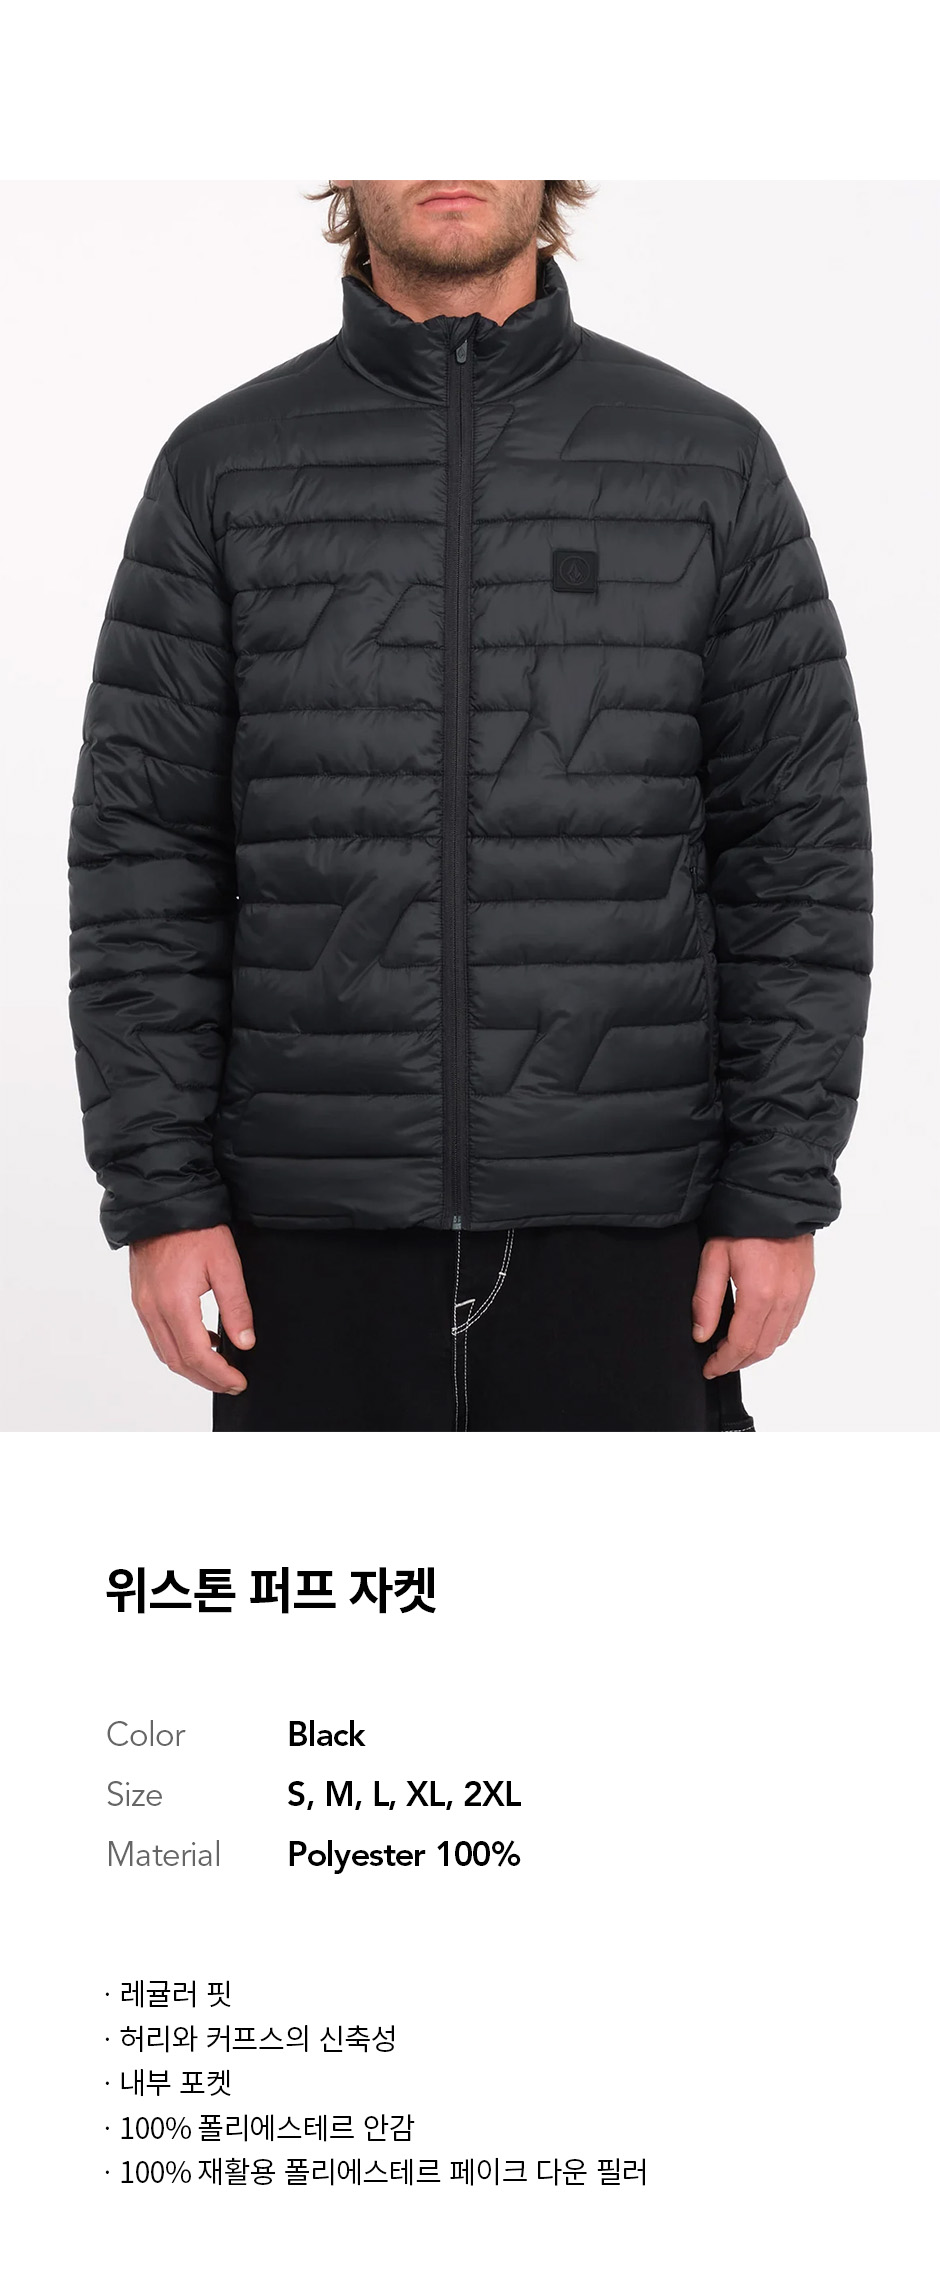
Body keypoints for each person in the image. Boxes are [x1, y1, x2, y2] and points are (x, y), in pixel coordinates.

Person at [68, 180, 873, 1433]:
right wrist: (161, 1193)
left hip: (630, 1225)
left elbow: (797, 846)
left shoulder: (706, 459)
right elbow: (144, 856)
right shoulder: (223, 466)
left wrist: (777, 1185)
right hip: (307, 1236)